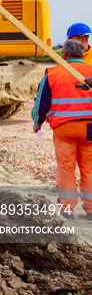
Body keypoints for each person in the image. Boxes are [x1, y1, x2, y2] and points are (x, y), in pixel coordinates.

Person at [32, 39, 92, 219]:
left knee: (65, 168)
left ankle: (66, 209)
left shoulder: (53, 72)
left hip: (64, 128)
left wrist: (37, 122)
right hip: (89, 128)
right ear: (82, 54)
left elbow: (41, 101)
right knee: (89, 168)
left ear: (63, 54)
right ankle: (90, 209)